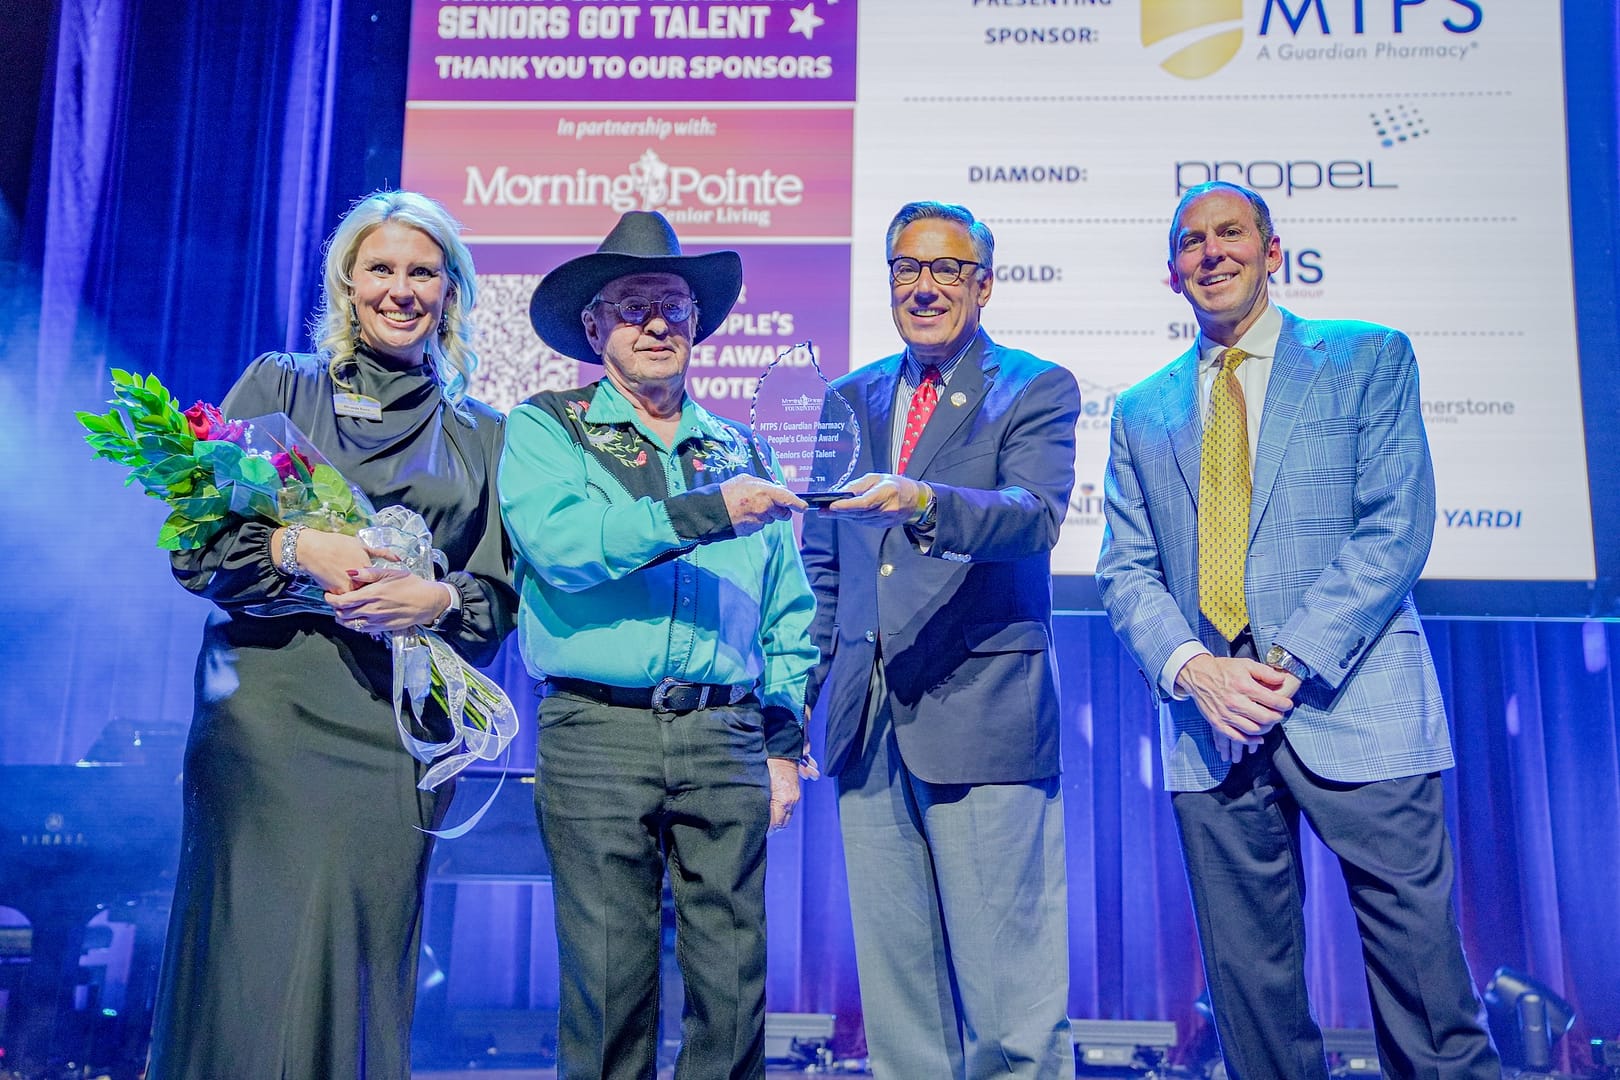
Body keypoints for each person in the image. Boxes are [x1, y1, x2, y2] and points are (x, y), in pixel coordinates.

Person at [1095, 181, 1499, 1079]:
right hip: (1213, 726)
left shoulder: (1367, 358)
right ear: (1172, 273)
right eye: (1191, 241)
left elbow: (1395, 525)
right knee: (1252, 999)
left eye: (1230, 233)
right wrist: (1198, 670)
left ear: (1273, 251)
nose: (1212, 252)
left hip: (1356, 704)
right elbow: (1126, 569)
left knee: (1426, 987)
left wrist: (1280, 664)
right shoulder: (1141, 409)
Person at [146, 191, 517, 1079]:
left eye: (422, 272)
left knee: (363, 959)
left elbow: (498, 599)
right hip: (266, 720)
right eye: (381, 269)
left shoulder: (486, 434)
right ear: (347, 285)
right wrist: (296, 544)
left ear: (451, 291)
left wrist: (435, 602)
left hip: (396, 738)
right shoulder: (281, 385)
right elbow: (195, 550)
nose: (401, 289)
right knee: (249, 956)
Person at [498, 209, 817, 1080]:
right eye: (631, 304)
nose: (655, 323)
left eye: (672, 304)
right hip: (597, 732)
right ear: (594, 327)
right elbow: (563, 546)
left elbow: (788, 607)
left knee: (736, 981)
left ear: (697, 326)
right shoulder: (547, 425)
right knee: (609, 981)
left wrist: (782, 744)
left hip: (726, 733)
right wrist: (709, 511)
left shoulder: (740, 445)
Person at [800, 200, 1079, 1080]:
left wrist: (924, 502)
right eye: (906, 269)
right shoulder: (849, 398)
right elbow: (823, 564)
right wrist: (801, 703)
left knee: (1010, 1008)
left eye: (947, 270)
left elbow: (1034, 519)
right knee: (900, 1013)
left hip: (983, 713)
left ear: (984, 284)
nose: (924, 287)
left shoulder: (1034, 387)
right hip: (867, 718)